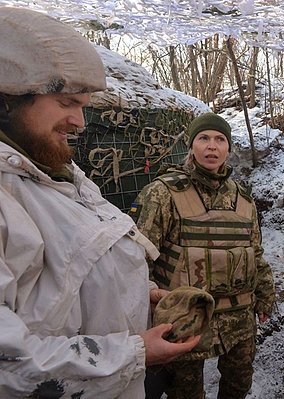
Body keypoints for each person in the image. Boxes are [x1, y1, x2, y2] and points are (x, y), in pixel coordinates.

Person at [0, 7, 200, 399]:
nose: (80, 122)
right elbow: (10, 364)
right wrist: (134, 352)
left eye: (83, 106)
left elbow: (69, 279)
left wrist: (142, 294)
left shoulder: (62, 176)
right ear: (8, 100)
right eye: (65, 102)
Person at [130, 112, 276, 399]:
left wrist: (265, 292)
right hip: (186, 316)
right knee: (185, 393)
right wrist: (148, 304)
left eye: (220, 139)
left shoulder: (244, 199)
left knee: (238, 386)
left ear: (228, 148)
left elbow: (254, 251)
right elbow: (137, 257)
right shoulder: (163, 194)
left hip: (239, 315)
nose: (212, 146)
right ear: (191, 145)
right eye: (204, 138)